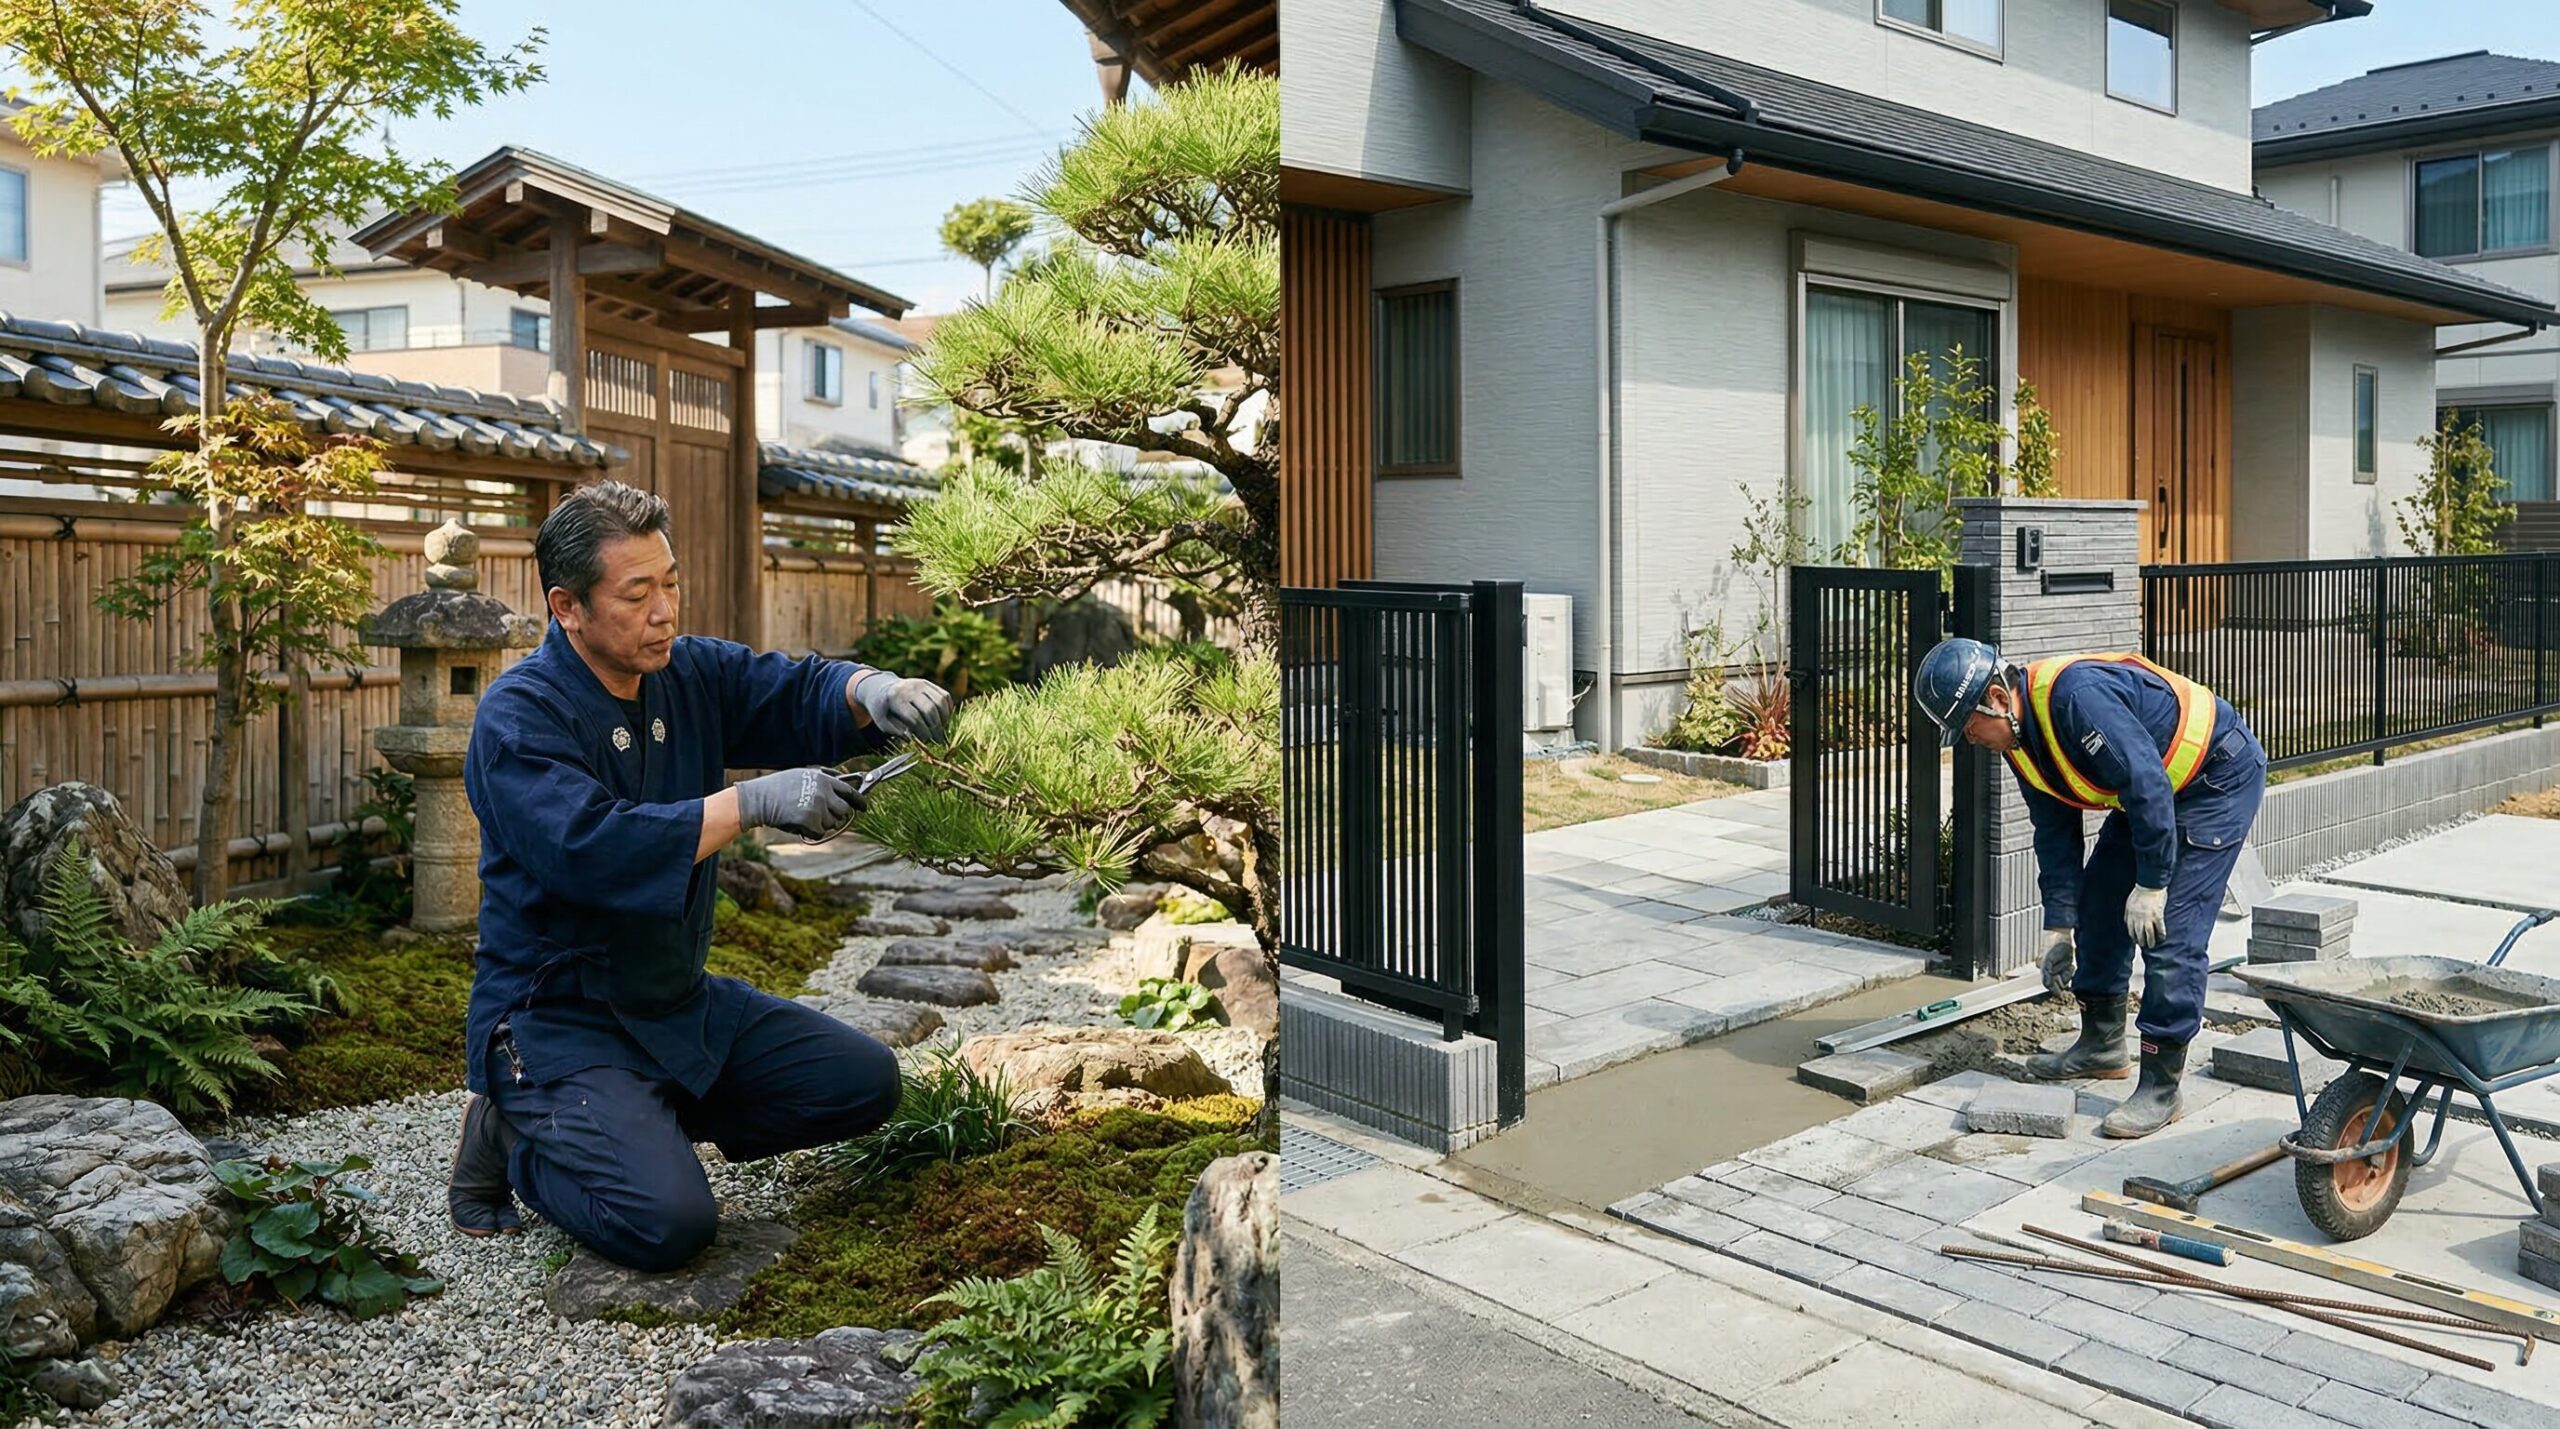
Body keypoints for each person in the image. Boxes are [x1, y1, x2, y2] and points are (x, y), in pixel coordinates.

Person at [449, 480, 954, 1268]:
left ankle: (633, 1120)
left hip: (674, 1002)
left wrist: (877, 691)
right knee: (670, 1224)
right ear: (567, 606)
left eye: (672, 583)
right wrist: (751, 801)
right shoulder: (519, 714)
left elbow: (794, 687)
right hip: (558, 1020)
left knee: (864, 1082)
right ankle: (515, 1134)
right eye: (637, 593)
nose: (664, 611)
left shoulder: (686, 674)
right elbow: (591, 845)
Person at [1913, 637, 2266, 1138]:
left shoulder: (2075, 699)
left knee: (2168, 934)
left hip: (2213, 780)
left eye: (1969, 728)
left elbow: (2145, 782)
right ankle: (2102, 1045)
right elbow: (2054, 831)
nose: (1971, 741)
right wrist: (2059, 925)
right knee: (2100, 906)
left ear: (1996, 697)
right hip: (2147, 792)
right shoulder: (2019, 742)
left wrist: (2152, 884)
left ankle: (2161, 1087)